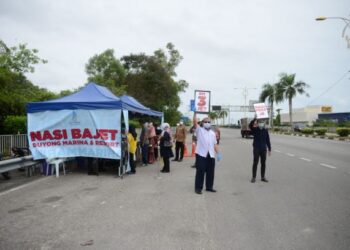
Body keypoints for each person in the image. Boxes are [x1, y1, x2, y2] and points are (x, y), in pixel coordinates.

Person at [193, 113, 220, 194]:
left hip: (211, 155)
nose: (207, 123)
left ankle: (209, 187)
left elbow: (215, 144)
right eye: (206, 122)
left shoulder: (212, 133)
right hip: (201, 154)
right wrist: (195, 114)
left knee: (210, 172)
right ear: (202, 123)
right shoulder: (199, 130)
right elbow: (195, 122)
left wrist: (218, 153)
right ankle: (198, 188)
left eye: (209, 122)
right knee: (200, 172)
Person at [249, 118, 271, 183]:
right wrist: (254, 119)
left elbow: (268, 140)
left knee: (263, 163)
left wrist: (269, 149)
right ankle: (253, 177)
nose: (261, 123)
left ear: (264, 124)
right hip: (256, 148)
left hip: (264, 149)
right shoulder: (255, 129)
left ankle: (263, 177)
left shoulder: (265, 130)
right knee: (255, 162)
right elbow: (250, 125)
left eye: (262, 122)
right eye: (260, 122)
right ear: (258, 123)